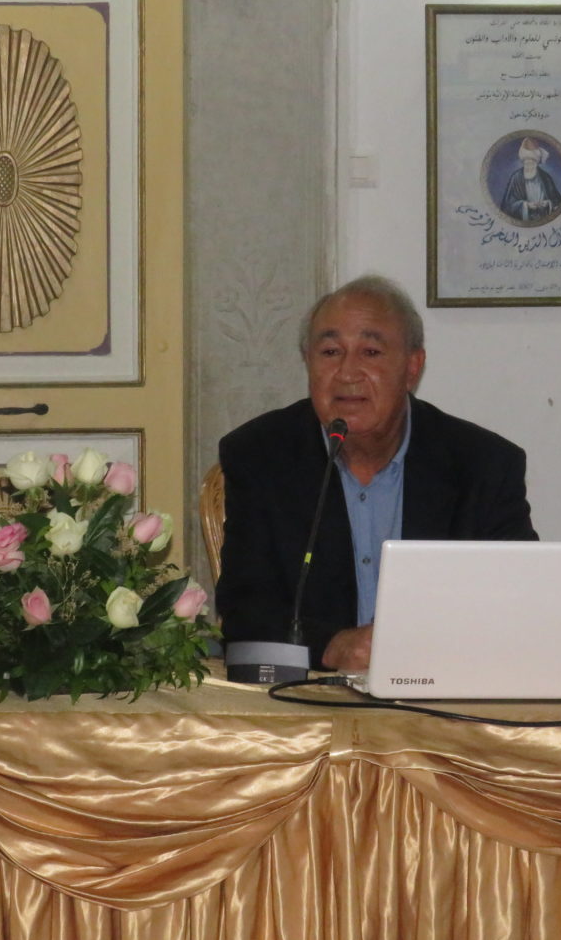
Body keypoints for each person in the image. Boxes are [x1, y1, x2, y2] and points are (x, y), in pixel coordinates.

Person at [215, 275, 536, 673]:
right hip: (310, 692)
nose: (348, 372)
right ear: (308, 363)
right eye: (330, 352)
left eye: (370, 352)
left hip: (441, 691)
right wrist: (332, 646)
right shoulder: (260, 455)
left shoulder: (483, 464)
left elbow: (517, 603)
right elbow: (244, 612)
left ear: (412, 367)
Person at [498, 136, 561, 224]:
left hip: (544, 220)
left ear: (537, 163)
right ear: (523, 163)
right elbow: (507, 206)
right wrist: (526, 205)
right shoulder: (516, 178)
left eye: (532, 163)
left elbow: (557, 201)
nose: (529, 166)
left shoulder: (546, 178)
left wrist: (548, 203)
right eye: (526, 163)